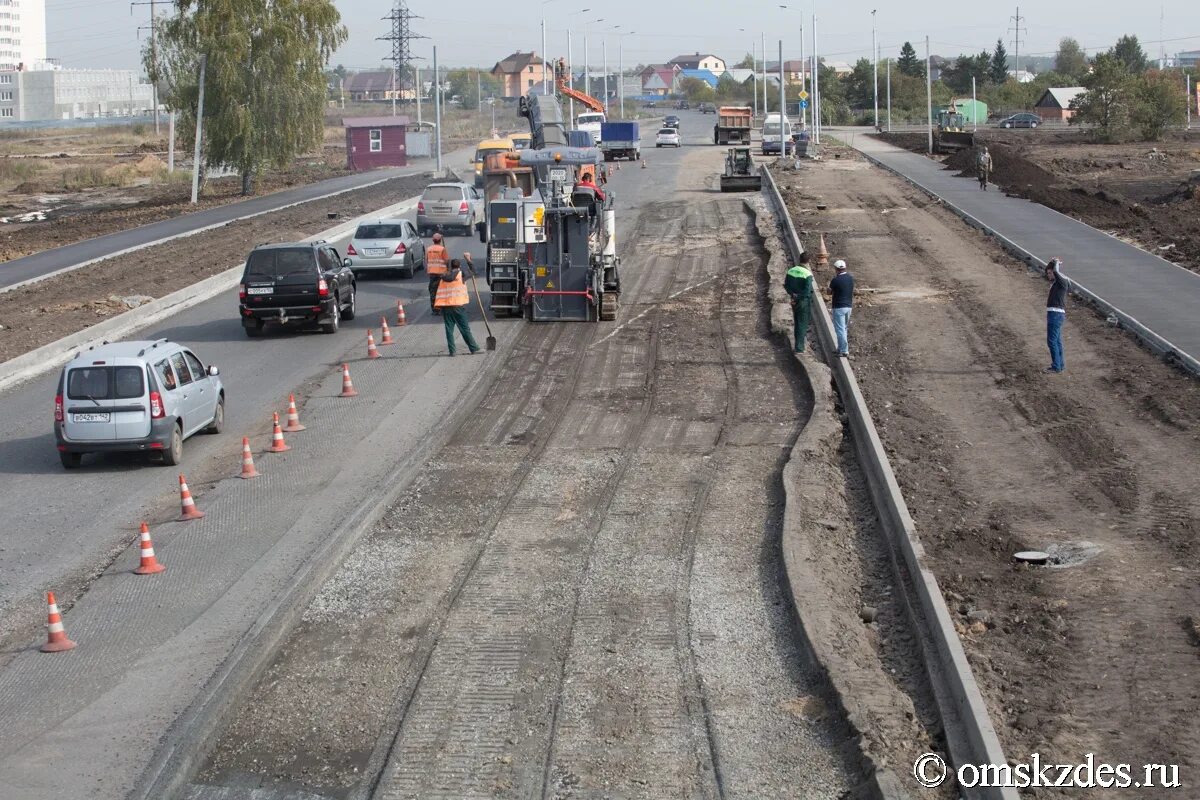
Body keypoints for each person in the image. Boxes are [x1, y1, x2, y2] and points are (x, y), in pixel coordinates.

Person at [433, 257, 481, 356]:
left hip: (446, 307)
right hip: (458, 307)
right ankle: (474, 348)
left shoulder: (443, 277)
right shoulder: (461, 275)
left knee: (449, 329)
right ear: (459, 266)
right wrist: (468, 259)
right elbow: (474, 271)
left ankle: (452, 351)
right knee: (464, 328)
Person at [784, 252, 814, 353]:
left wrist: (793, 295)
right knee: (802, 324)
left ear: (799, 259)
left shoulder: (791, 270)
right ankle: (799, 348)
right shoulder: (807, 274)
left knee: (797, 322)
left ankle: (797, 344)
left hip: (794, 300)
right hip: (803, 302)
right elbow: (807, 291)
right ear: (808, 261)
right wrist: (799, 297)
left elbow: (786, 286)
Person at [1044, 257, 1069, 373]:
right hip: (1054, 314)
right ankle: (1060, 364)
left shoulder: (1062, 282)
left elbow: (1056, 272)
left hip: (1055, 314)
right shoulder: (1057, 284)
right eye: (1048, 273)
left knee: (1052, 341)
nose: (1049, 275)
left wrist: (1056, 263)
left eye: (1050, 273)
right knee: (1057, 341)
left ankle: (1056, 366)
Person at [829, 259, 855, 357]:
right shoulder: (850, 278)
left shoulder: (835, 280)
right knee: (844, 328)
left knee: (840, 329)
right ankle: (840, 348)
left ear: (836, 269)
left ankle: (844, 350)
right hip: (849, 306)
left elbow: (829, 292)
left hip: (839, 307)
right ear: (845, 268)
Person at [425, 233, 450, 315]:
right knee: (442, 292)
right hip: (441, 274)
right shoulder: (442, 249)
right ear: (440, 240)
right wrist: (448, 270)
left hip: (432, 273)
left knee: (433, 291)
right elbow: (446, 261)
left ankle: (435, 310)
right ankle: (442, 309)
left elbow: (427, 260)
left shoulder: (429, 249)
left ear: (433, 240)